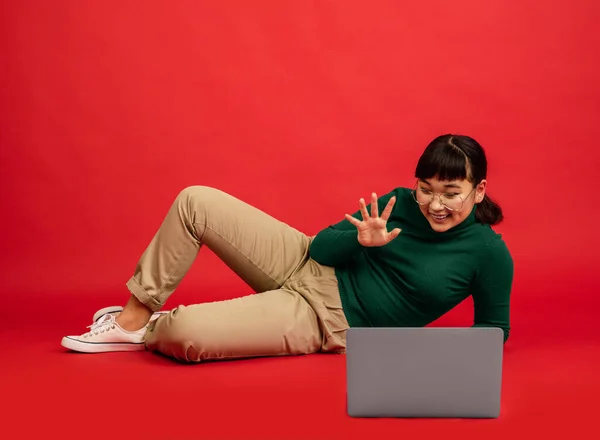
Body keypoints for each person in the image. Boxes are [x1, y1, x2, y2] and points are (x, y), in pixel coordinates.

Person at [61, 134, 514, 362]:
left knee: (186, 336)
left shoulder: (488, 255)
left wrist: (409, 355)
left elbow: (494, 330)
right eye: (426, 189)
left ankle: (159, 325)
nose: (435, 204)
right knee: (195, 200)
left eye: (451, 192)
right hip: (302, 260)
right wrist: (360, 241)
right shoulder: (398, 202)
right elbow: (319, 246)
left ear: (478, 190)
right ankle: (131, 320)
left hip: (325, 318)